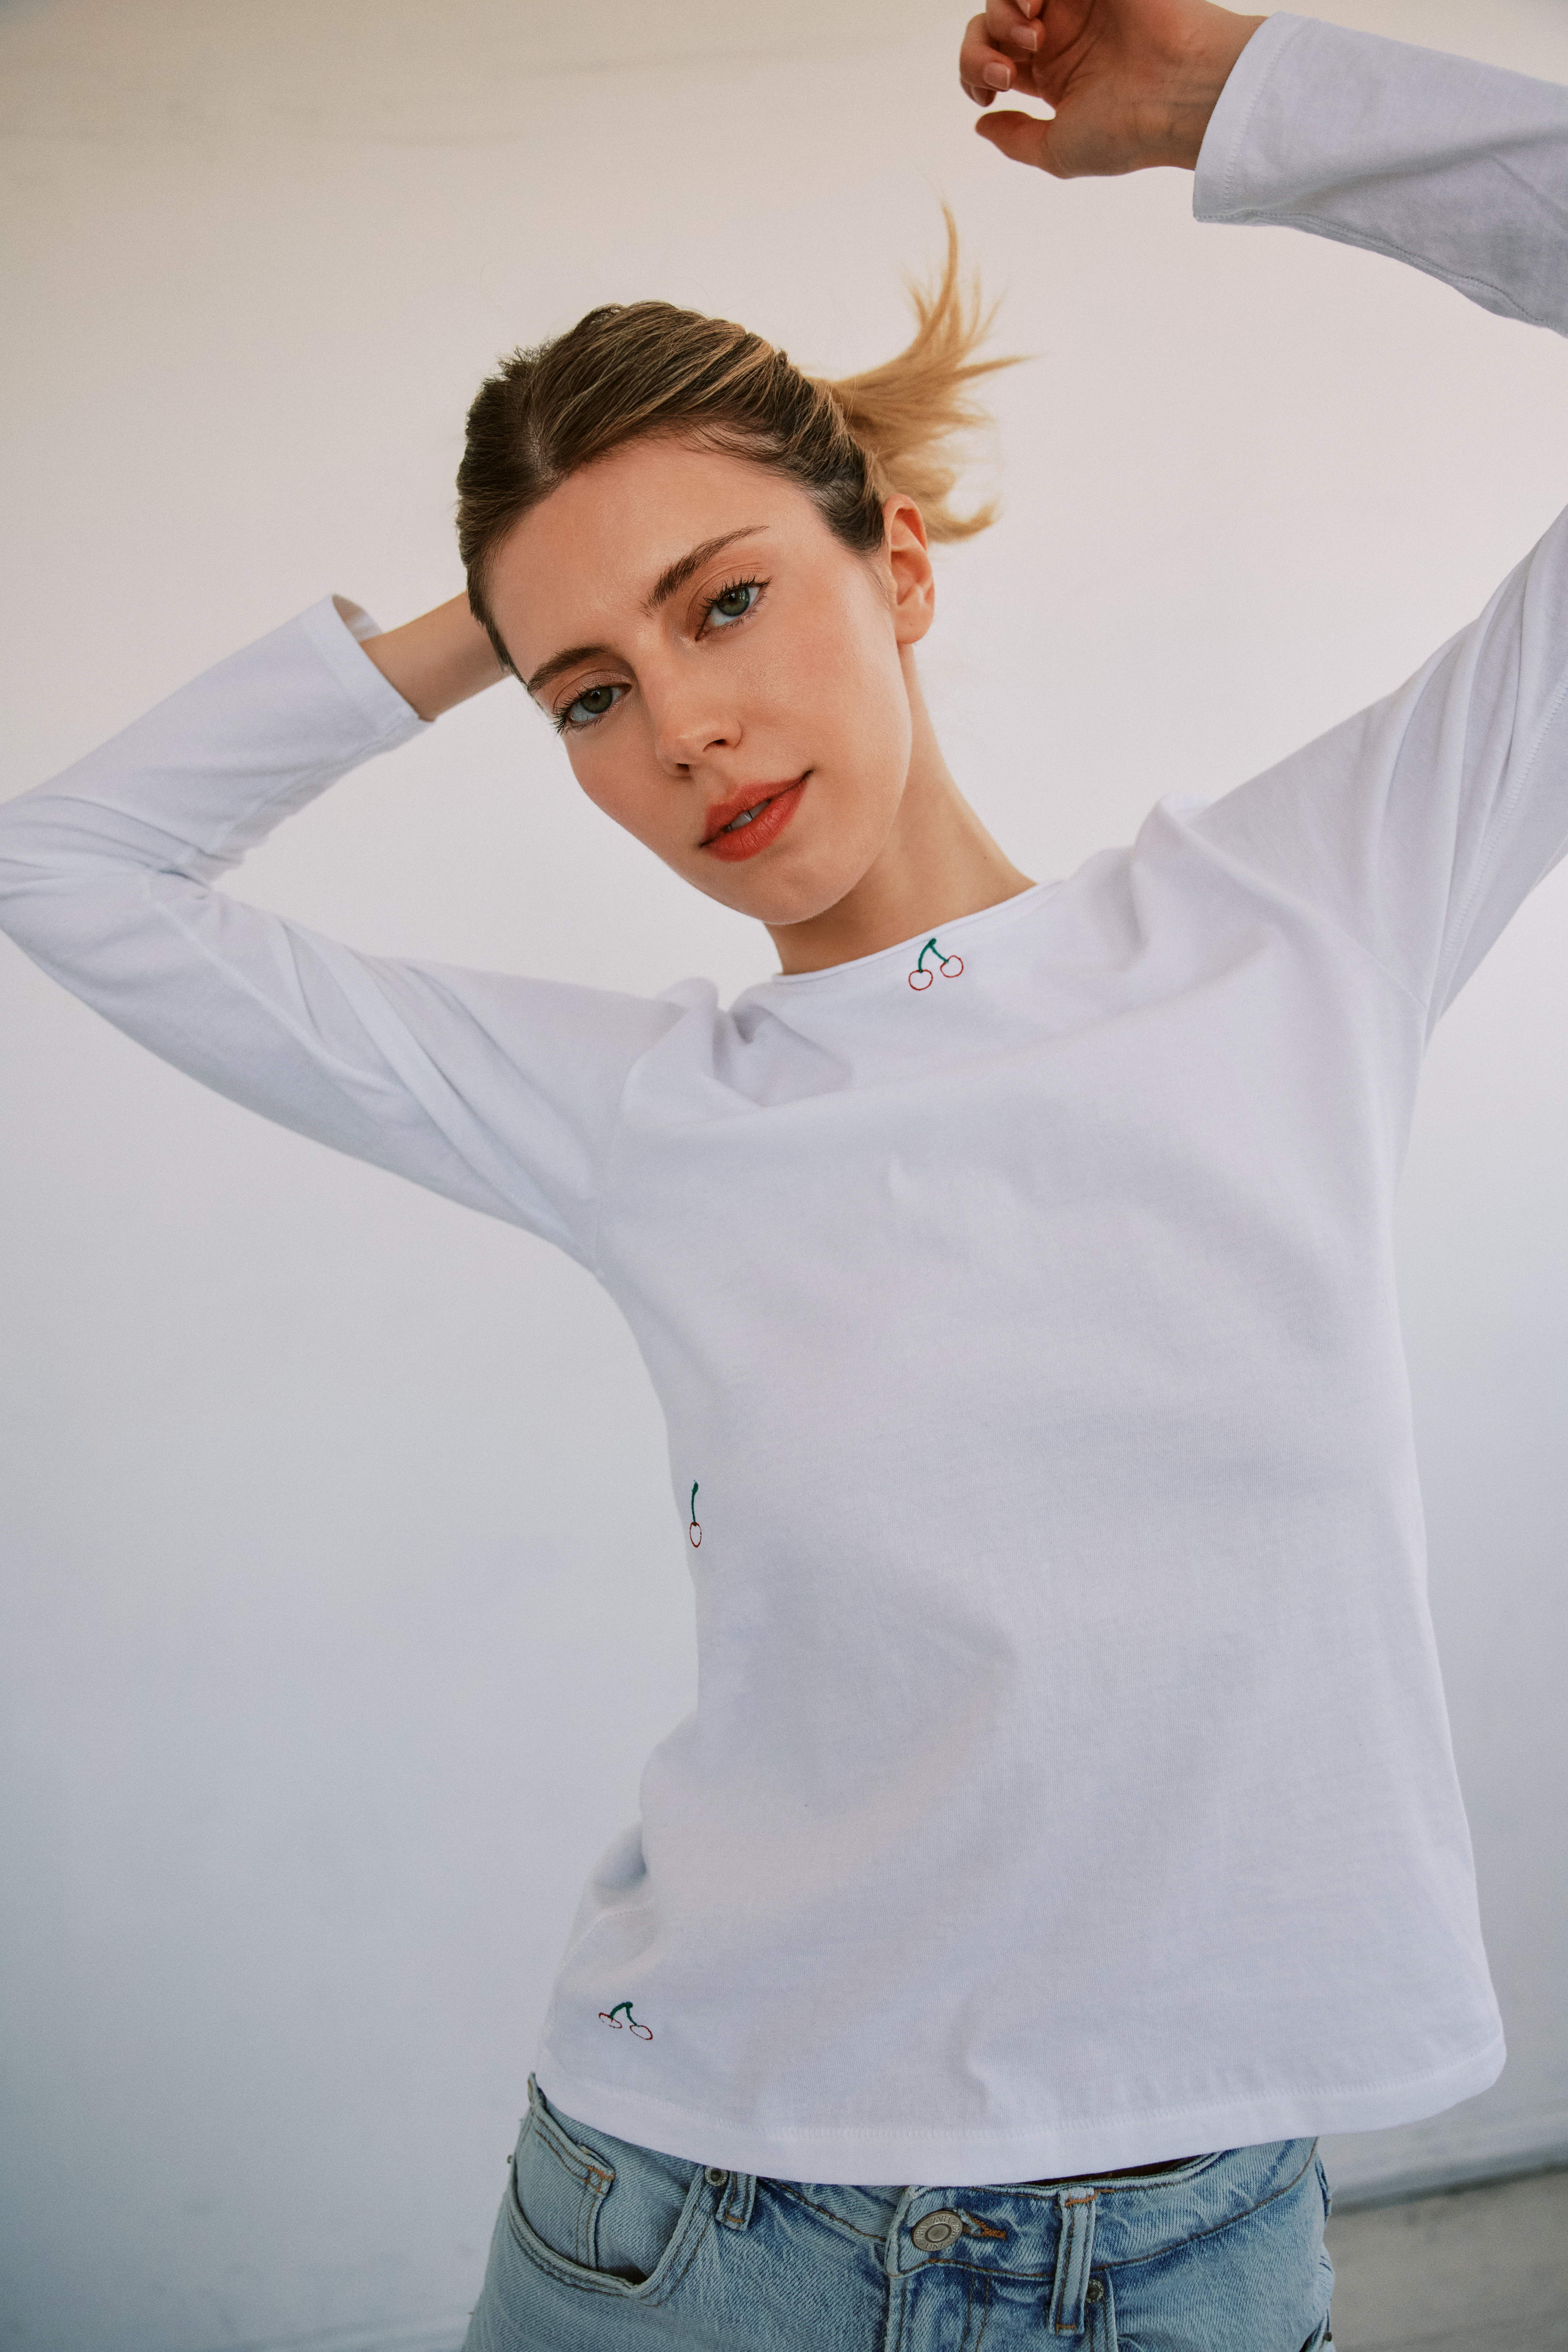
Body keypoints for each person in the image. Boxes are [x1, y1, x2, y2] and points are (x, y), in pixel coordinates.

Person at [2, 0, 1565, 2342]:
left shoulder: (1300, 919)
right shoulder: (637, 1108)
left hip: (1195, 2237)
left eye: (729, 599)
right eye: (592, 704)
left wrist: (1243, 103)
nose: (686, 727)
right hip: (693, 2220)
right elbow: (77, 863)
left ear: (900, 565)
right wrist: (503, 610)